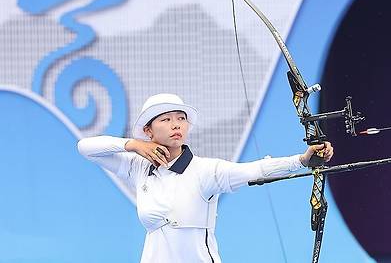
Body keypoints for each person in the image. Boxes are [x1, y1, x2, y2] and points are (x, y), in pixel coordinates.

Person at [77, 93, 333, 263]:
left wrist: (300, 160)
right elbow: (86, 147)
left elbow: (254, 170)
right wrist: (133, 145)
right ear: (149, 130)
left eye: (181, 119)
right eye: (166, 120)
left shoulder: (205, 171)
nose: (176, 125)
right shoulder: (138, 167)